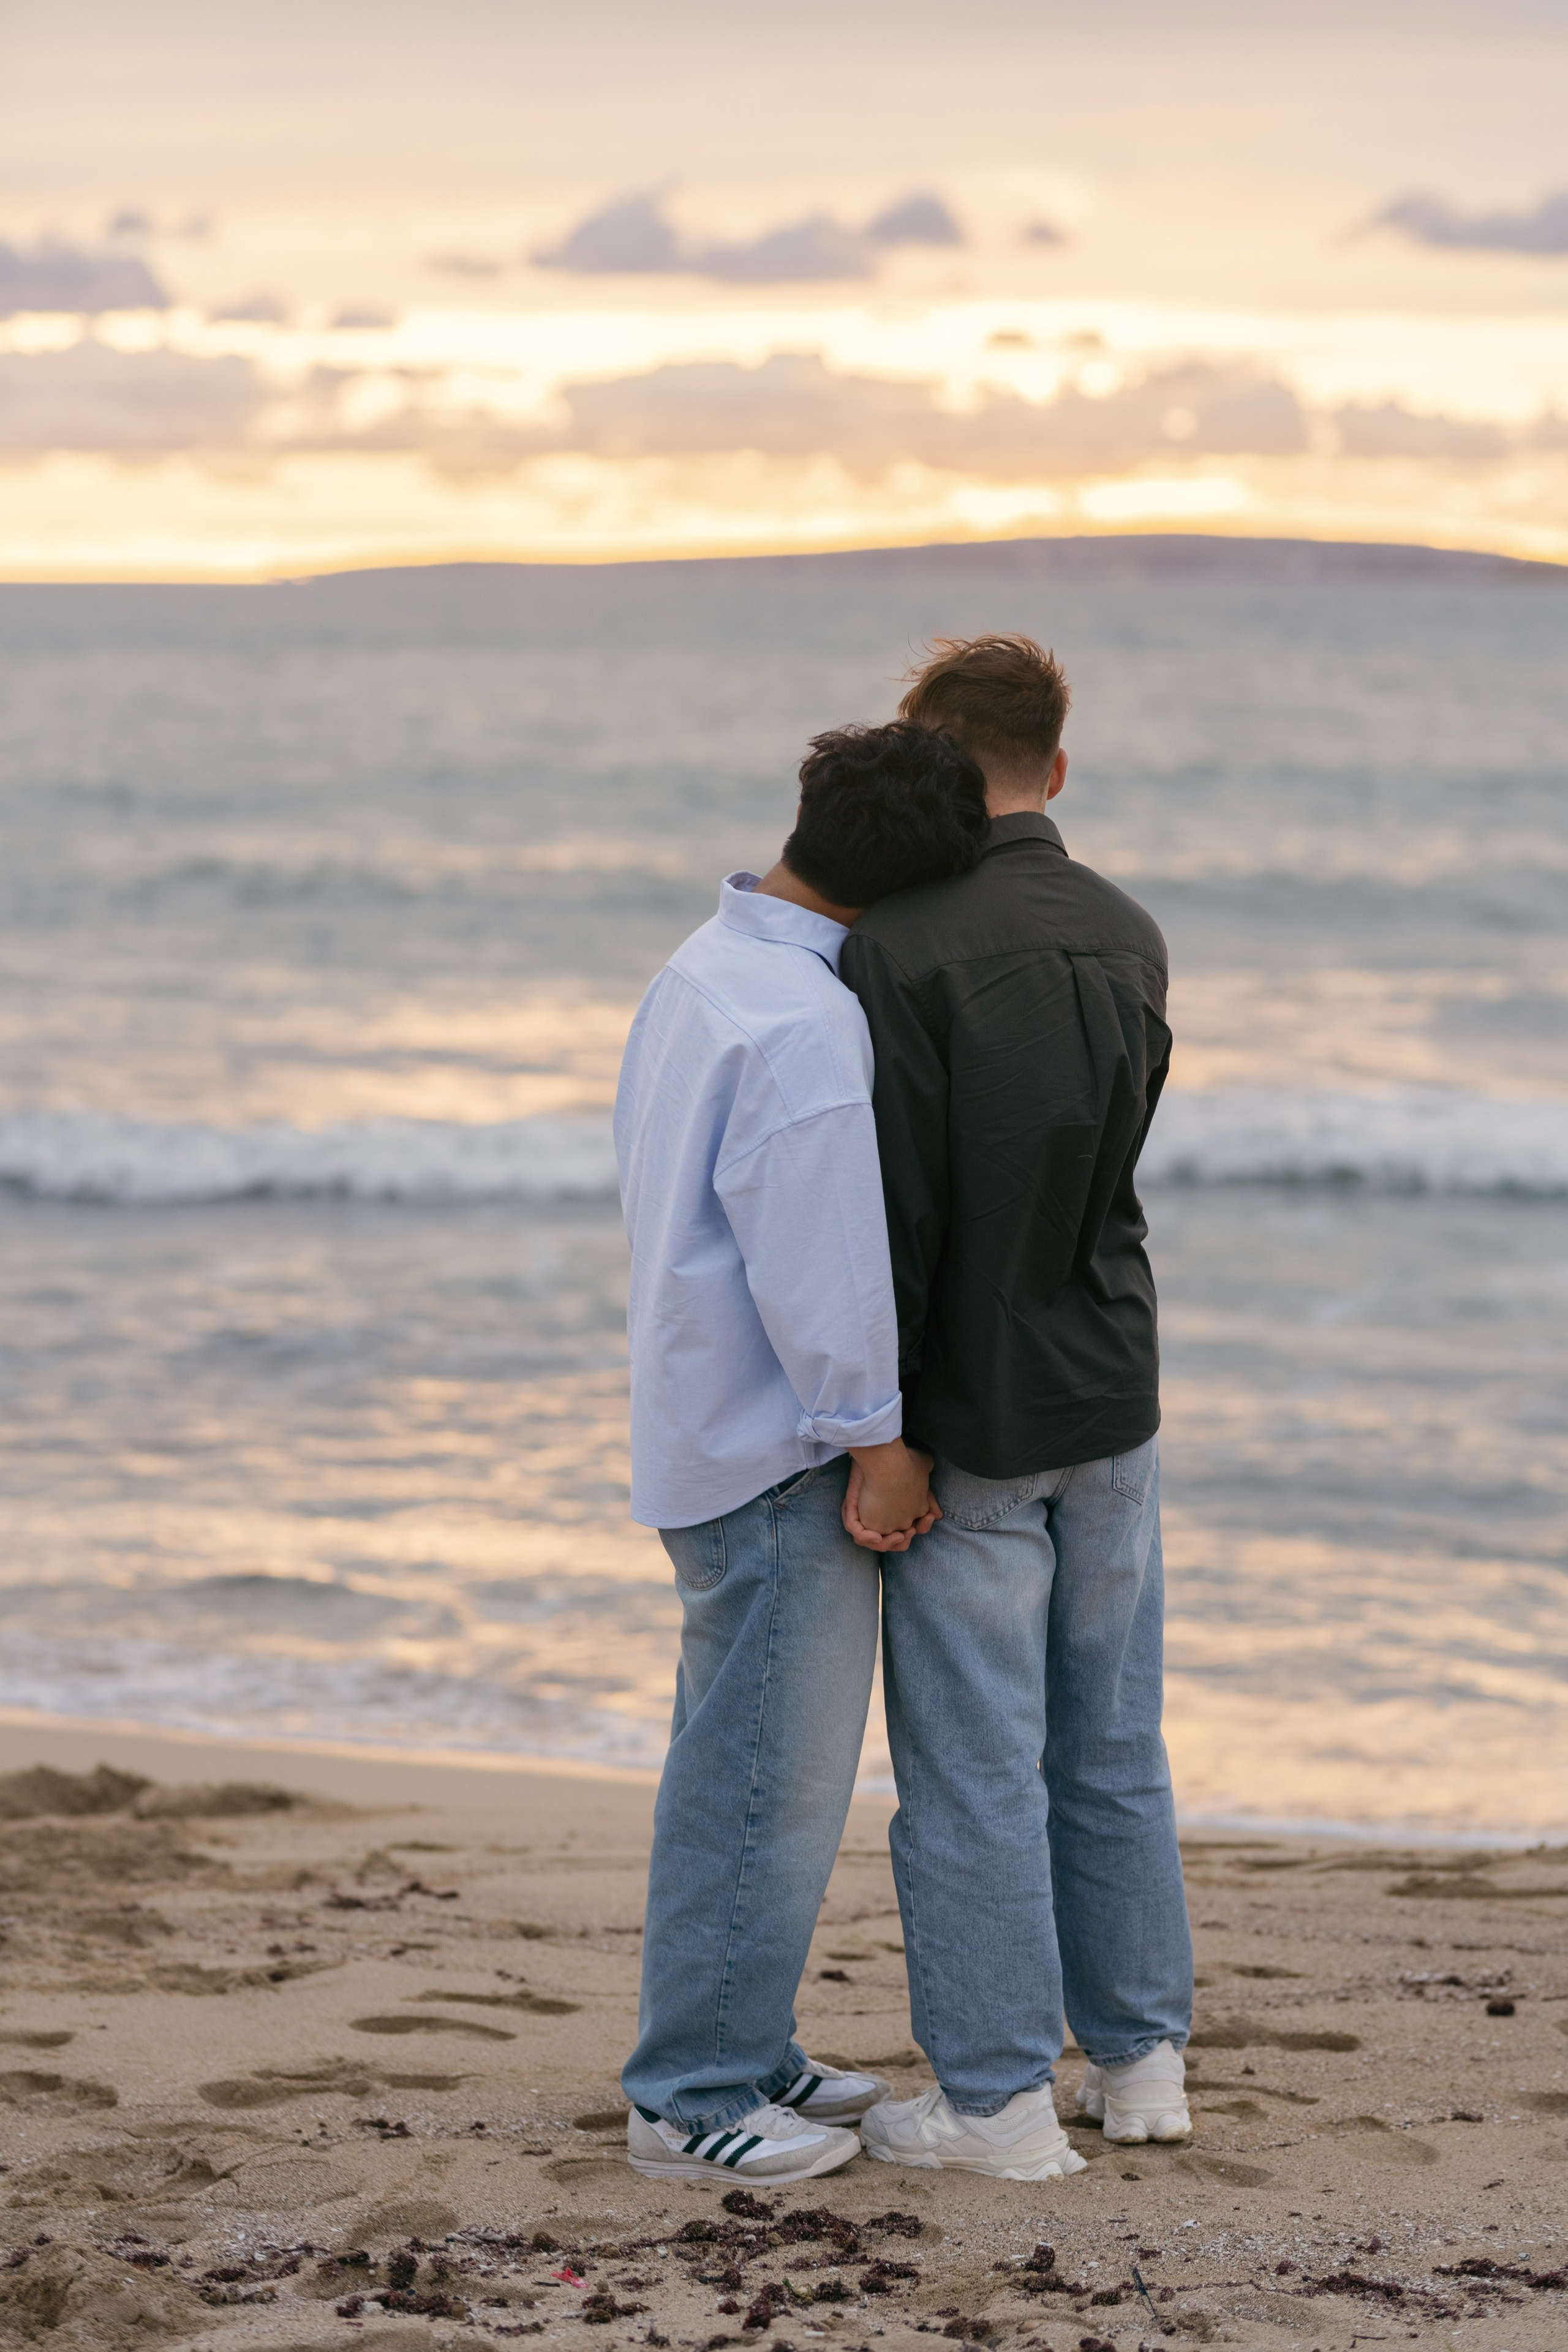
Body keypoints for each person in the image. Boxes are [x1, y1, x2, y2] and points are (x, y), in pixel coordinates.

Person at [839, 635, 1194, 2181]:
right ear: (1055, 768)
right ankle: (1140, 2064)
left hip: (975, 1412)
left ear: (924, 755)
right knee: (1110, 1738)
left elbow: (899, 1213)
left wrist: (888, 1430)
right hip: (1112, 1385)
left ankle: (991, 2099)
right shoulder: (1129, 930)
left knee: (975, 1759)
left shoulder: (897, 942)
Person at [614, 718, 988, 2184]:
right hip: (774, 1453)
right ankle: (691, 2091)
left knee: (736, 1757)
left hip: (698, 1424)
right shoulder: (808, 1028)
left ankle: (742, 2045)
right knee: (761, 1783)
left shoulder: (705, 968)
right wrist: (876, 1446)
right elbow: (819, 1269)